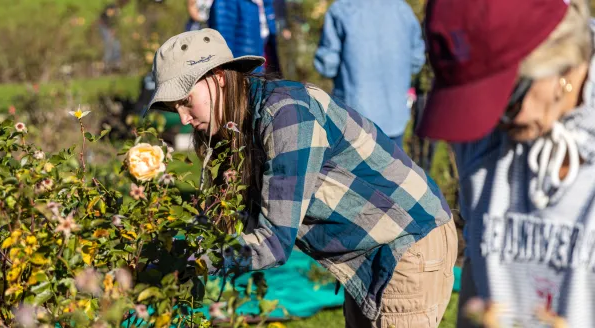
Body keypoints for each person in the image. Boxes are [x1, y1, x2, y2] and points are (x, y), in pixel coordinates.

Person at [144, 28, 457, 328]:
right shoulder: (234, 128)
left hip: (408, 241)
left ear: (217, 78)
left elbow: (272, 244)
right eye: (176, 108)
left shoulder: (286, 115)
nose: (184, 118)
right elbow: (222, 218)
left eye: (186, 101)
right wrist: (165, 249)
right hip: (367, 253)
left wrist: (186, 261)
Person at [416, 0, 595, 326]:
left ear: (560, 59)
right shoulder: (483, 133)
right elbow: (480, 264)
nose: (491, 122)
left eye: (504, 100)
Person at [314, 0, 425, 148]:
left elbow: (327, 65)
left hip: (354, 116)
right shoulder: (402, 9)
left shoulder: (341, 10)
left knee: (353, 170)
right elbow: (417, 59)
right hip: (394, 116)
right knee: (394, 168)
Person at [207, 0, 277, 74]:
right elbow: (222, 39)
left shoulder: (266, 3)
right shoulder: (227, 2)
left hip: (262, 61)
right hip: (241, 67)